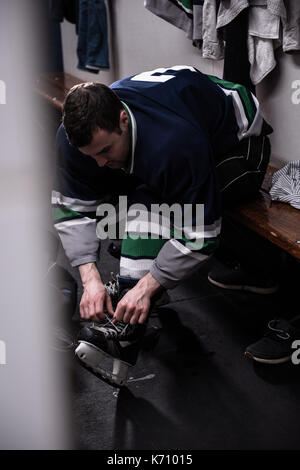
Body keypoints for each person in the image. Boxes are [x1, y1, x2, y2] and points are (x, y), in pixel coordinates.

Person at [52, 65, 272, 386]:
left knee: (155, 203)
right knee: (133, 193)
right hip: (182, 123)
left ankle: (127, 330)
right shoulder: (75, 139)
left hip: (239, 145)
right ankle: (131, 308)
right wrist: (91, 280)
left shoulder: (175, 142)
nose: (98, 162)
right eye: (90, 155)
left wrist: (145, 287)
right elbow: (72, 208)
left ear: (122, 120)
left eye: (104, 150)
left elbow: (201, 236)